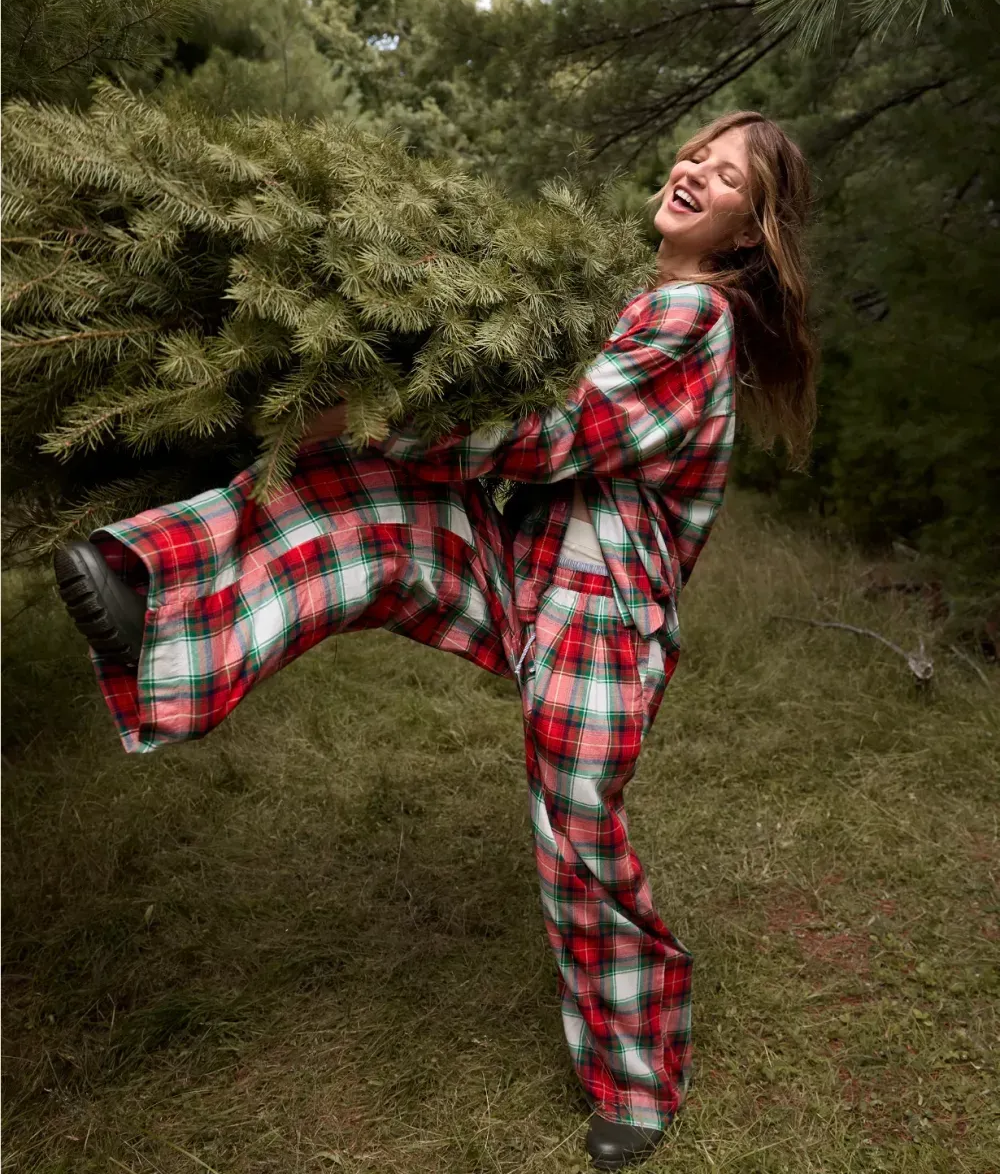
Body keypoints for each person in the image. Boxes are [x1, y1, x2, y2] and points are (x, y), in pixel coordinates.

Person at [52, 111, 816, 1171]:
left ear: (747, 231)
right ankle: (150, 587)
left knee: (576, 827)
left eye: (727, 177)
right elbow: (505, 375)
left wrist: (366, 416)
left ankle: (638, 1080)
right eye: (696, 153)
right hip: (524, 567)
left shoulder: (694, 314)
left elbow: (554, 437)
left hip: (600, 609)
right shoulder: (622, 295)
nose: (695, 170)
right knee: (364, 506)